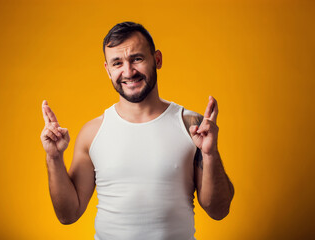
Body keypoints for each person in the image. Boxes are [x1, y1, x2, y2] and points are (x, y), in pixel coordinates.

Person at [40, 21, 234, 240]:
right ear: (107, 70)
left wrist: (210, 154)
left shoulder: (191, 125)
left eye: (137, 59)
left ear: (157, 60)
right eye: (117, 63)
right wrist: (54, 157)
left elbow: (219, 210)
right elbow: (68, 214)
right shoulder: (92, 133)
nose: (128, 71)